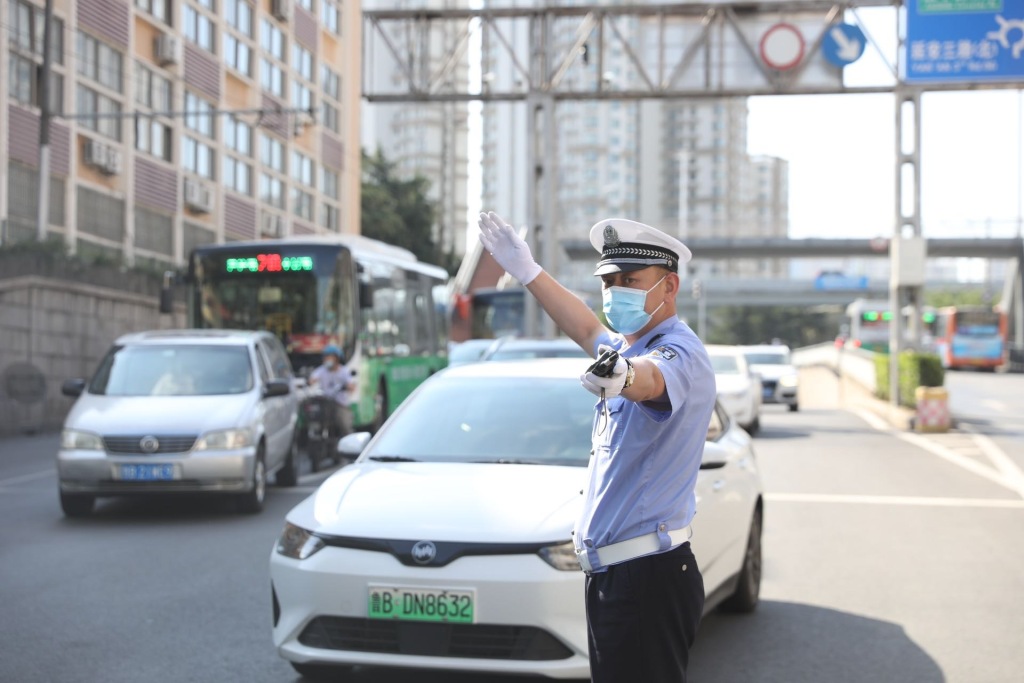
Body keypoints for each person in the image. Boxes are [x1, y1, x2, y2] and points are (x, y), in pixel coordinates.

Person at [478, 211, 717, 683]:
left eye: (630, 280)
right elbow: (588, 330)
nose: (615, 292)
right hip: (618, 576)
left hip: (646, 576)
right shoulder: (629, 347)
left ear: (669, 286)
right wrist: (529, 272)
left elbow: (650, 380)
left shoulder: (678, 351)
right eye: (608, 282)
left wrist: (623, 378)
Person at [308, 345, 355, 439]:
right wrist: (310, 382)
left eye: (329, 357)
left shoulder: (344, 371)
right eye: (325, 357)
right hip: (325, 403)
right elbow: (312, 379)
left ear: (336, 359)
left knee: (345, 424)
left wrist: (348, 387)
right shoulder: (322, 370)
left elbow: (351, 385)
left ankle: (350, 441)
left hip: (340, 404)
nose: (327, 360)